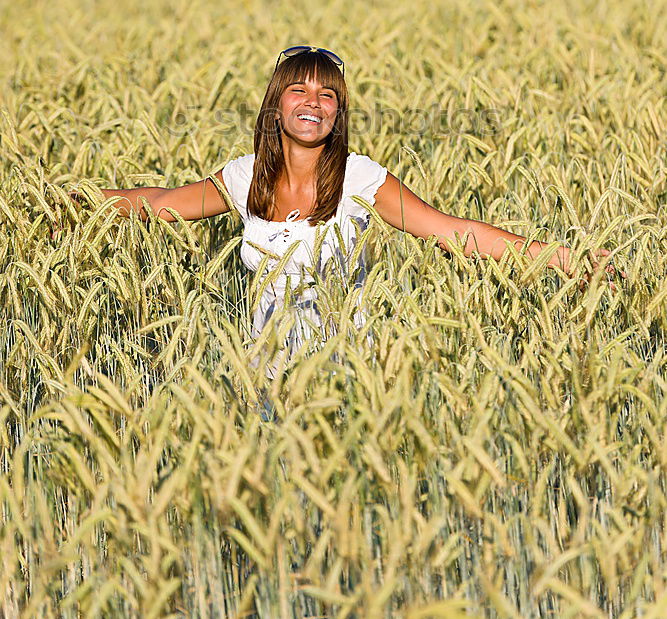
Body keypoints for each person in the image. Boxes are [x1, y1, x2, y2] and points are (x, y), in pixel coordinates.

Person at [64, 45, 623, 374]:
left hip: (344, 378)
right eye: (298, 91)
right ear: (275, 105)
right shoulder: (246, 176)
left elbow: (455, 232)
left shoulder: (359, 178)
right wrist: (73, 202)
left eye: (327, 94)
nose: (313, 103)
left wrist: (564, 258)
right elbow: (162, 204)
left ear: (338, 112)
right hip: (266, 380)